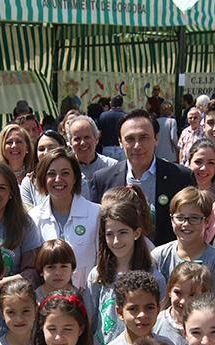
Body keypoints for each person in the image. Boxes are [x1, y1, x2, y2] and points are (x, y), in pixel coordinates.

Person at [90, 109, 195, 245]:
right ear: (120, 142)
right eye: (130, 139)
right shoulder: (103, 180)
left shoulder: (181, 177)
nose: (137, 146)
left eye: (143, 137)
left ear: (156, 139)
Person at [87, 195, 165, 345]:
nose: (116, 241)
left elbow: (159, 320)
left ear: (136, 233)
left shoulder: (154, 276)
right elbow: (90, 319)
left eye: (123, 232)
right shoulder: (97, 275)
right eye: (110, 234)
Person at [29, 148, 100, 290]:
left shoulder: (96, 213)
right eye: (51, 174)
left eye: (65, 173)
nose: (58, 179)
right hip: (48, 304)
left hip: (87, 300)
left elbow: (101, 262)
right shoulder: (33, 218)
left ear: (75, 178)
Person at [151, 187, 215, 298]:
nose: (186, 224)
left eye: (194, 218)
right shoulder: (159, 256)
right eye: (180, 217)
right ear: (171, 219)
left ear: (207, 221)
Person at [155, 263, 212, 345]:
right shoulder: (156, 322)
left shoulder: (211, 326)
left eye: (192, 295)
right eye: (178, 292)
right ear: (169, 290)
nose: (183, 302)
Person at [65, 115, 117, 199]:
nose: (82, 143)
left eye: (87, 137)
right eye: (77, 139)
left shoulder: (112, 166)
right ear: (70, 142)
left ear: (96, 139)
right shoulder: (65, 169)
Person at [99, 95, 126, 161]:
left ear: (110, 103)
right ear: (122, 104)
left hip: (107, 147)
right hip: (121, 148)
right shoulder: (125, 116)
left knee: (108, 170)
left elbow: (100, 132)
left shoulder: (103, 115)